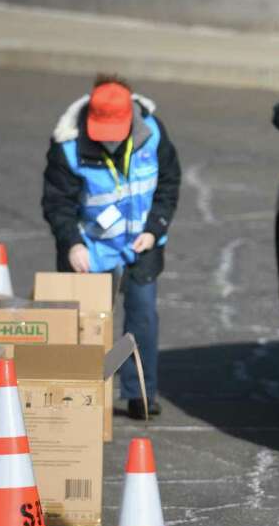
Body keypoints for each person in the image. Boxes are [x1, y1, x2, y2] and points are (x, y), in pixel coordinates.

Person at [41, 74, 181, 419]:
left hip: (140, 243)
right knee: (87, 323)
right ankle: (82, 396)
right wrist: (72, 244)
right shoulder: (68, 146)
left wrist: (155, 227)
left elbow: (168, 182)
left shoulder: (153, 134)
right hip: (90, 247)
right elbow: (57, 203)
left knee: (143, 317)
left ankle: (140, 394)